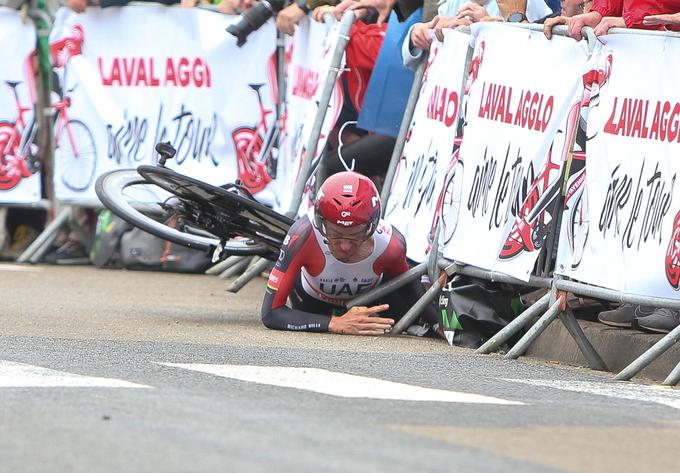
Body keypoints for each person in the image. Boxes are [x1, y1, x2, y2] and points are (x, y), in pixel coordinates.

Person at [261, 171, 439, 335]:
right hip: (312, 301)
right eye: (336, 234)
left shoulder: (391, 244)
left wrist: (440, 328)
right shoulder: (302, 234)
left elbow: (412, 291)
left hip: (371, 300)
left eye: (355, 235)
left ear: (371, 226)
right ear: (321, 223)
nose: (345, 246)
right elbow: (271, 313)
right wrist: (335, 323)